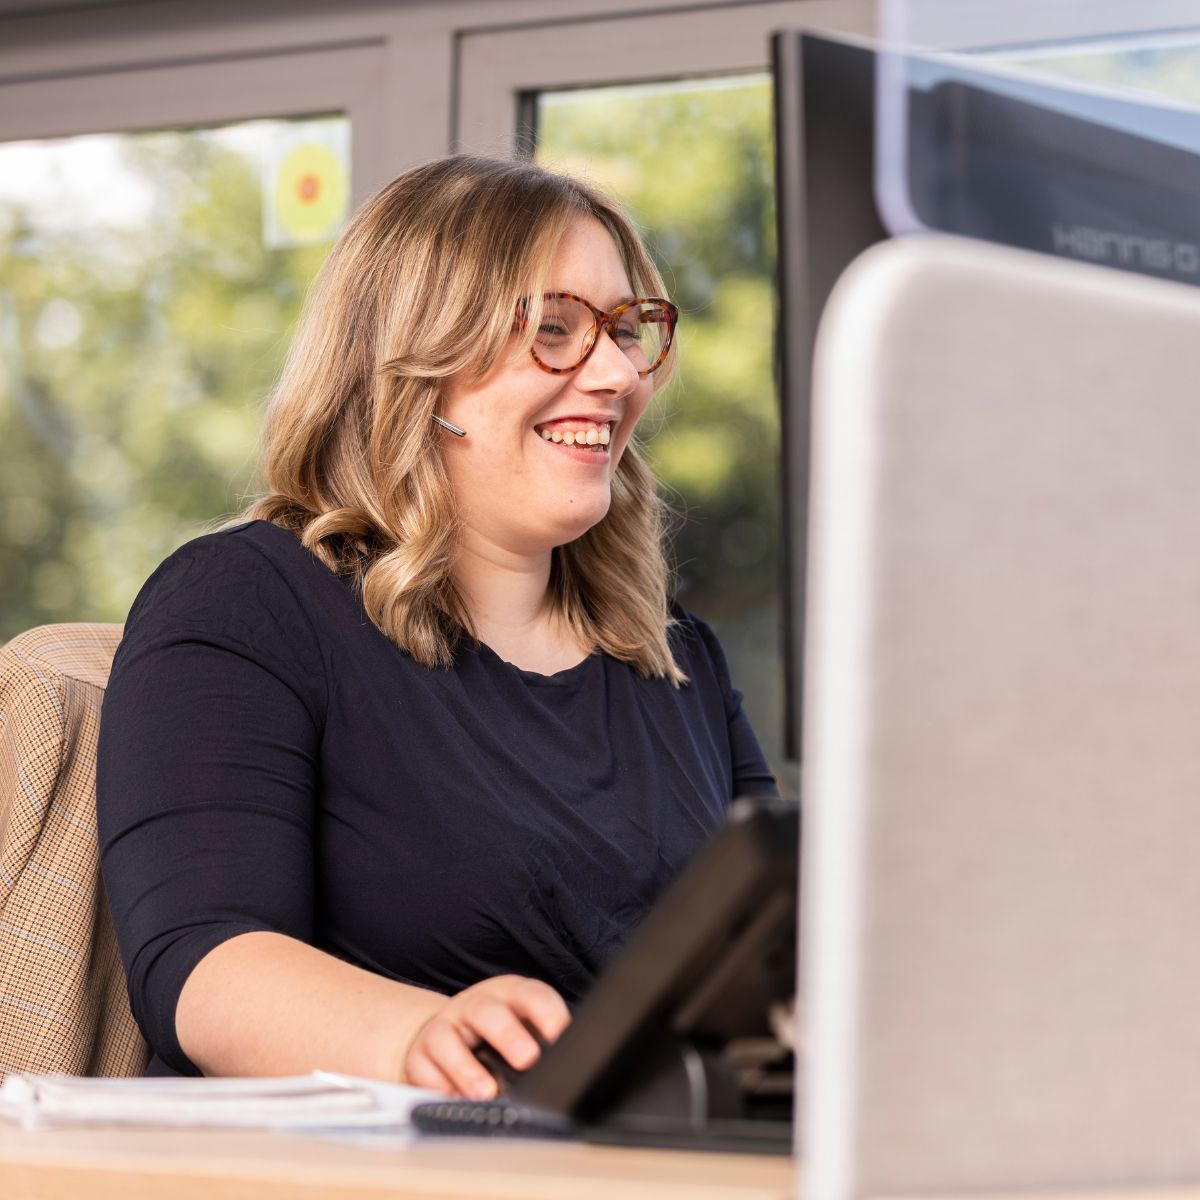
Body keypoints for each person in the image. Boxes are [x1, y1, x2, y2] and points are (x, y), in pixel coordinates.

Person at [96, 154, 778, 1097]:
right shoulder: (243, 600)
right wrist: (425, 1036)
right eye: (554, 330)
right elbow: (205, 965)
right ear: (412, 362)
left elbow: (777, 952)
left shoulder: (673, 656)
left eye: (629, 332)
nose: (618, 373)